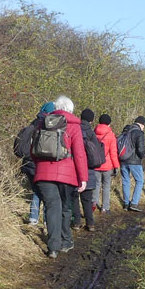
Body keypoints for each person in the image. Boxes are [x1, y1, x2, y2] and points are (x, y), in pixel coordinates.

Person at [33, 95, 87, 257]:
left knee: (51, 207)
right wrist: (83, 178)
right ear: (70, 110)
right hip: (67, 174)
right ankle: (66, 241)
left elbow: (33, 149)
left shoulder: (43, 122)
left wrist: (39, 166)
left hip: (43, 173)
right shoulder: (74, 126)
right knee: (65, 207)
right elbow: (79, 154)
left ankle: (53, 247)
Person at [14, 101, 55, 226]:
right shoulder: (47, 126)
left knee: (36, 190)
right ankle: (46, 220)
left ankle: (33, 217)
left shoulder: (32, 124)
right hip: (38, 163)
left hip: (27, 164)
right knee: (45, 192)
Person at [74, 108, 102, 231]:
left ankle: (76, 223)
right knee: (87, 198)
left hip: (74, 168)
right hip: (88, 169)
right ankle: (90, 223)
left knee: (74, 197)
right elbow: (96, 152)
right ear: (91, 120)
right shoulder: (91, 133)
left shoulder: (74, 129)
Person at [118, 116, 145, 210]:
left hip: (123, 160)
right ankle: (134, 203)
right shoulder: (139, 133)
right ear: (142, 124)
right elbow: (140, 149)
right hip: (134, 161)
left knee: (125, 181)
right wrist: (142, 156)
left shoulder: (126, 130)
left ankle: (126, 204)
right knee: (140, 181)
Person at [94, 114, 120, 213]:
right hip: (107, 165)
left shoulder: (94, 133)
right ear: (109, 123)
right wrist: (116, 166)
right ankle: (105, 207)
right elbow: (113, 152)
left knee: (96, 185)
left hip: (95, 164)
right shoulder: (111, 135)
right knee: (106, 186)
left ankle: (94, 205)